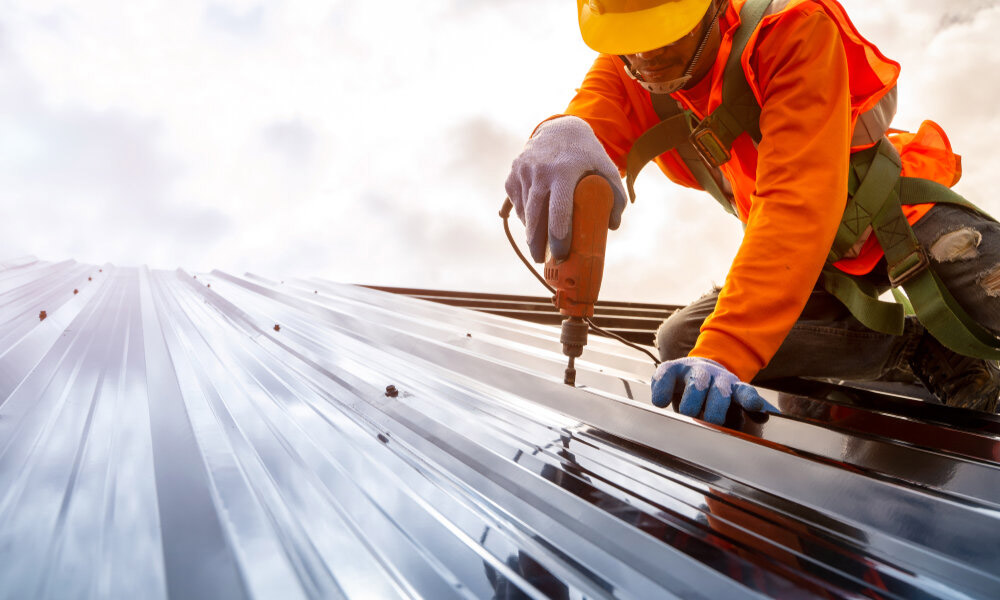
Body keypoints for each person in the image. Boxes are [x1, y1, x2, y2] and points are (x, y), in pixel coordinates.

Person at [505, 0, 1000, 424]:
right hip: (806, 269)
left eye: (663, 34)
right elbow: (594, 116)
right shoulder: (630, 67)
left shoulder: (790, 28)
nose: (645, 56)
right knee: (681, 342)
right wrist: (561, 134)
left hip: (893, 220)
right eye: (630, 41)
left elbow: (795, 202)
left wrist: (728, 352)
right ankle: (916, 347)